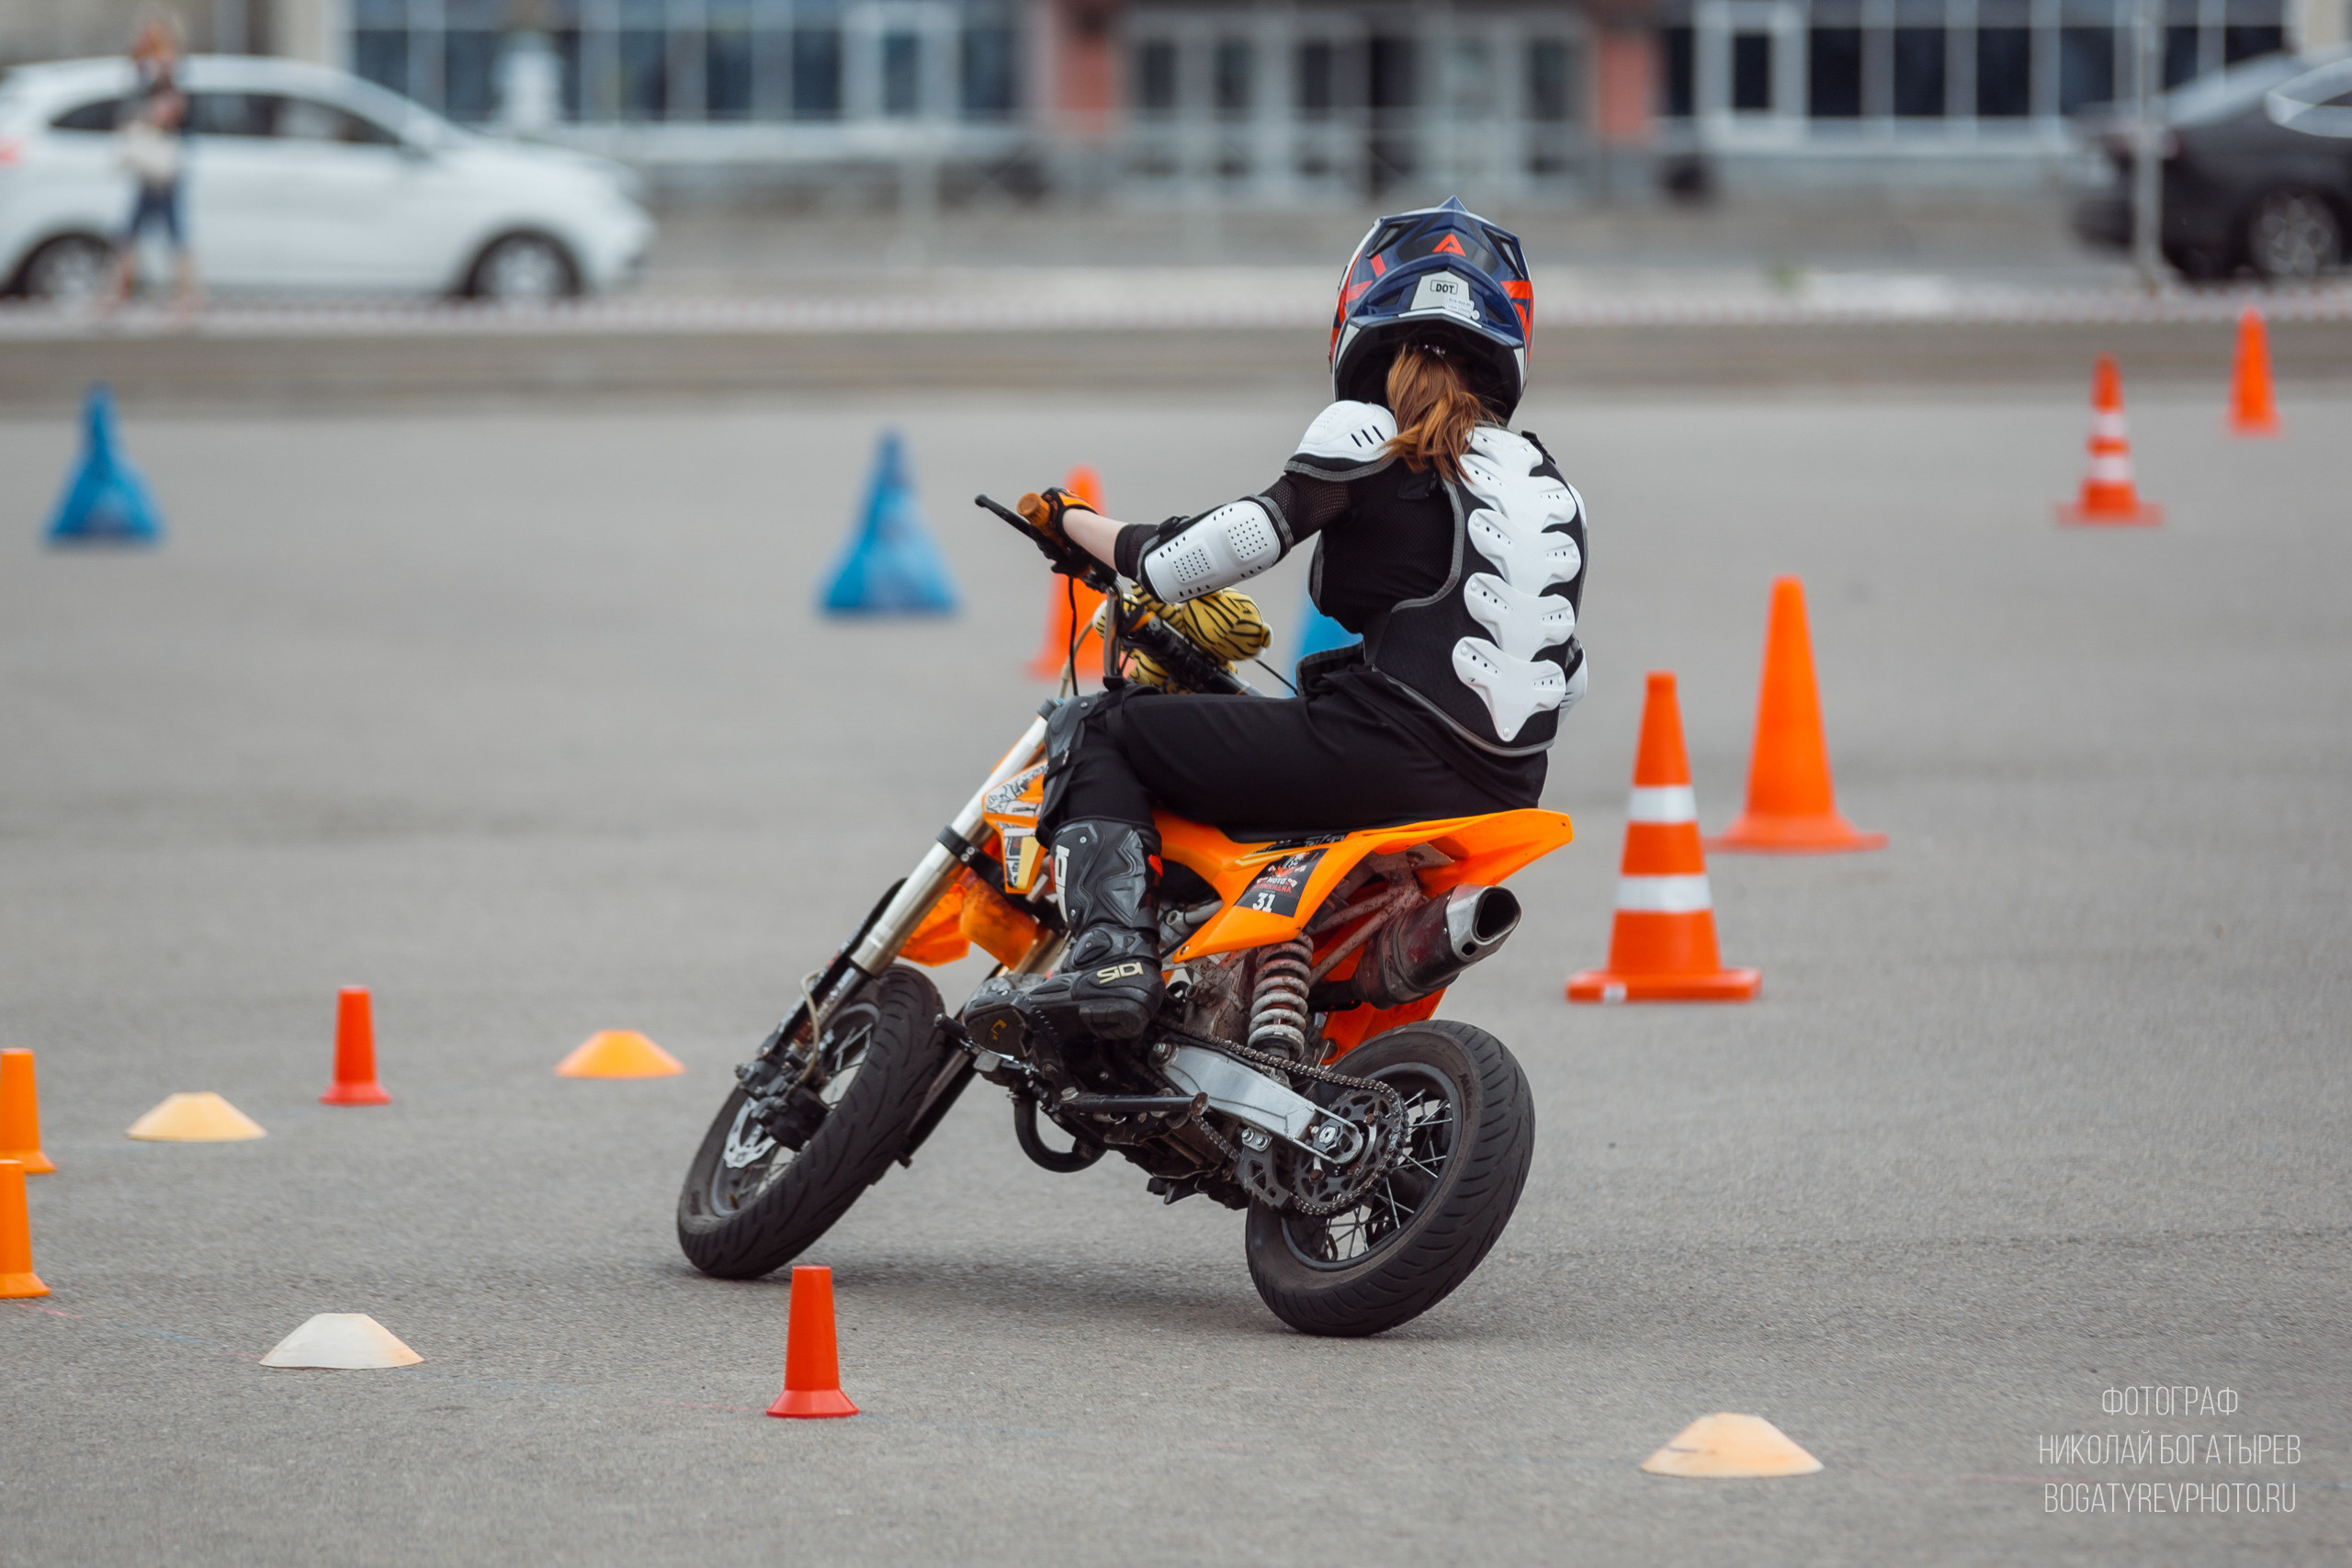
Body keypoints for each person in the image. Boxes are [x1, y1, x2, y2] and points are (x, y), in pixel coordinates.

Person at [984, 197, 1589, 1046]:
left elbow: (1192, 559)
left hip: (1381, 757)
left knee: (1100, 730)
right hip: (1505, 790)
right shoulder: (1550, 483)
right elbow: (1570, 676)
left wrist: (1070, 520)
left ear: (1362, 314)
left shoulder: (1371, 433)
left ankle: (1110, 962)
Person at [106, 18, 198, 312]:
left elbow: (170, 111)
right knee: (137, 231)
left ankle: (183, 297)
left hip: (161, 167)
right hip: (152, 168)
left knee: (162, 230)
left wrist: (145, 116)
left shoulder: (165, 71)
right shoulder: (144, 71)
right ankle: (120, 291)